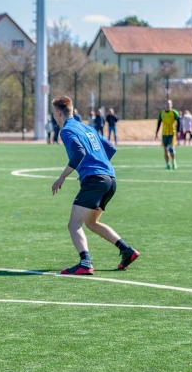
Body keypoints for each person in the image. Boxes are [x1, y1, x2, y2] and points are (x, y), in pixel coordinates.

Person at [51, 95, 139, 275]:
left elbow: (78, 153)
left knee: (74, 224)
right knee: (91, 222)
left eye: (53, 113)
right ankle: (127, 250)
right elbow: (111, 148)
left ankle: (85, 262)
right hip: (110, 179)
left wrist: (62, 177)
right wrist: (96, 167)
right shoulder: (87, 128)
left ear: (59, 113)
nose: (53, 116)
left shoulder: (66, 131)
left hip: (96, 180)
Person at [155, 100, 180, 169]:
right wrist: (156, 132)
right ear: (164, 105)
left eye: (169, 104)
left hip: (172, 133)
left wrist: (178, 131)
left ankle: (174, 161)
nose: (168, 105)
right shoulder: (162, 113)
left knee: (171, 148)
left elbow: (179, 121)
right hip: (164, 134)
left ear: (171, 105)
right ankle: (167, 164)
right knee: (165, 150)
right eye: (166, 104)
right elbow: (159, 123)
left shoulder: (174, 112)